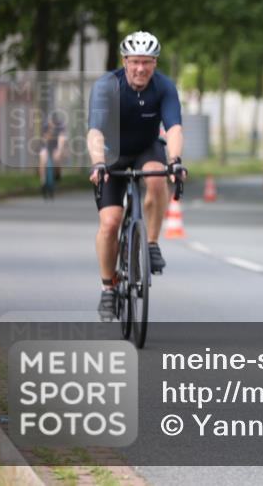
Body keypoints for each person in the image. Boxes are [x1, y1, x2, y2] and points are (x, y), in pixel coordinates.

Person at [87, 31, 187, 320]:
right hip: (112, 152)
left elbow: (174, 128)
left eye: (147, 62)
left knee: (158, 177)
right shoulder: (108, 86)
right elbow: (94, 130)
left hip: (147, 148)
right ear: (124, 61)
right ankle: (108, 287)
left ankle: (152, 243)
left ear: (155, 63)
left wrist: (176, 162)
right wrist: (97, 163)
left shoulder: (164, 87)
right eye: (135, 62)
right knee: (110, 223)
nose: (141, 68)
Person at [38, 112, 67, 194]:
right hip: (45, 146)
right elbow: (44, 139)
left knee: (57, 158)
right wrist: (50, 134)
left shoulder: (60, 127)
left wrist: (60, 150)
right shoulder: (45, 126)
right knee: (43, 160)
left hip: (55, 146)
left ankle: (57, 174)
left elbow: (62, 139)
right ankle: (43, 181)